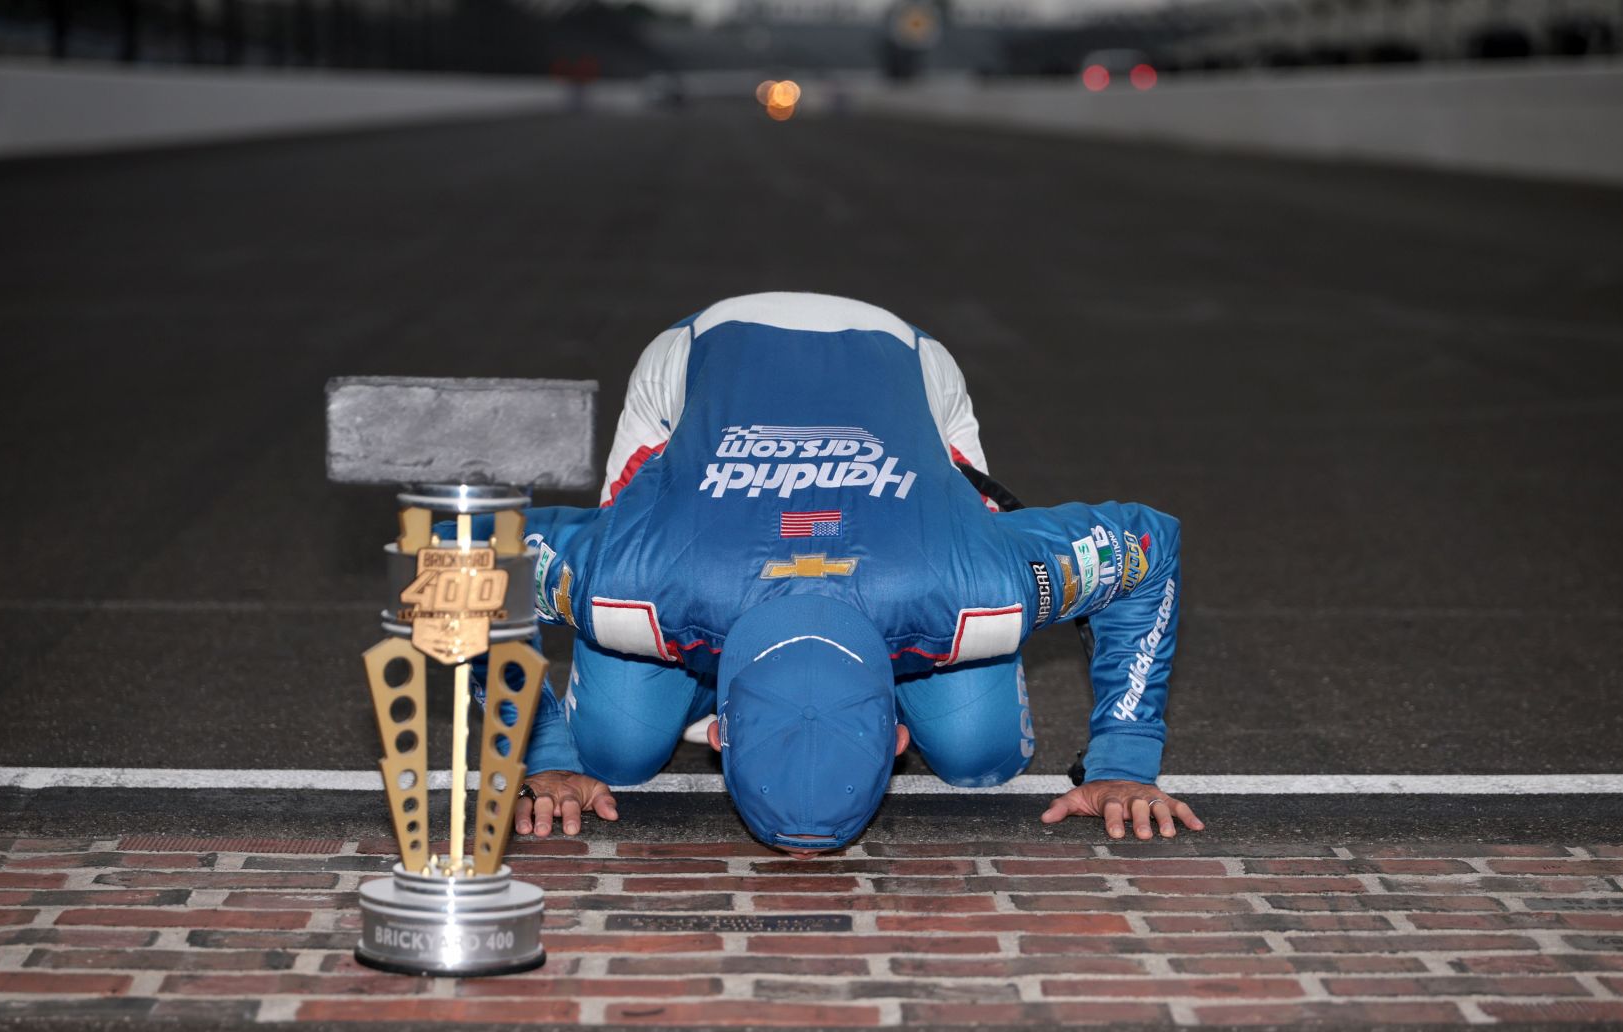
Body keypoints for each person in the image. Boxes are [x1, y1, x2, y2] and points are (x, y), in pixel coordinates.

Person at [500, 292, 1201, 850]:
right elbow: (464, 561)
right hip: (709, 379)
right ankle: (737, 680)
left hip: (894, 405)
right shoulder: (634, 583)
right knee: (613, 753)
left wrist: (1124, 763)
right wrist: (545, 749)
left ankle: (734, 681)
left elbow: (1151, 548)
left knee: (978, 758)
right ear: (894, 745)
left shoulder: (976, 592)